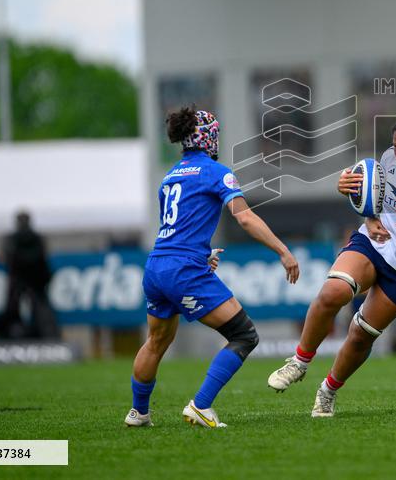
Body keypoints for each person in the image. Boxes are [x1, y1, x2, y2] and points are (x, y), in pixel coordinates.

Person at [267, 114, 396, 417]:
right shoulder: (388, 159)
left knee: (361, 334)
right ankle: (299, 363)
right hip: (375, 243)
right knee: (332, 293)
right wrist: (358, 202)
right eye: (394, 147)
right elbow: (369, 198)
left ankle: (328, 390)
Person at [125, 106, 300, 428]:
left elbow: (176, 228)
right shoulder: (215, 171)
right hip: (182, 270)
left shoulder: (170, 176)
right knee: (244, 335)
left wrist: (200, 255)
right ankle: (201, 406)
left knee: (156, 341)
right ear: (207, 137)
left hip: (157, 266)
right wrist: (282, 250)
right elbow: (244, 217)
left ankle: (138, 413)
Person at [0, 211, 58, 339]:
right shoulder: (36, 238)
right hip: (30, 279)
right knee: (26, 308)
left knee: (24, 308)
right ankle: (44, 334)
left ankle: (14, 334)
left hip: (28, 279)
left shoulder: (13, 239)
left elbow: (4, 257)